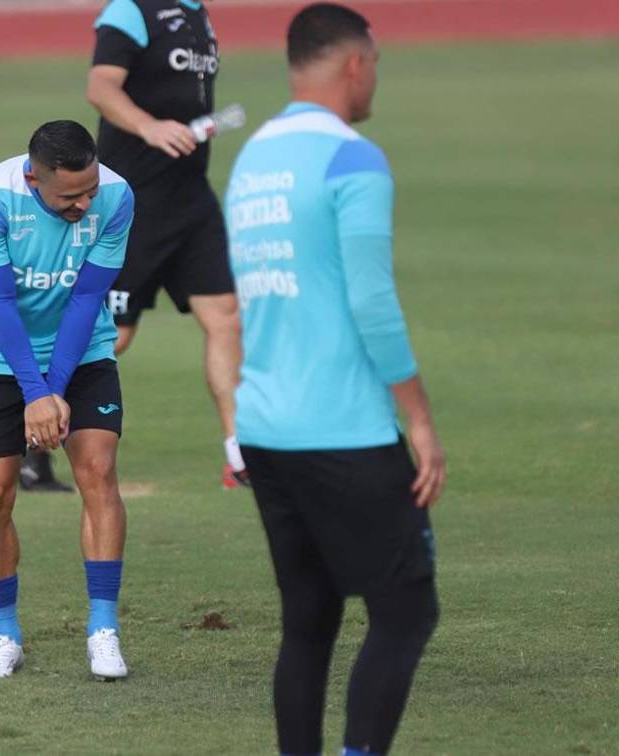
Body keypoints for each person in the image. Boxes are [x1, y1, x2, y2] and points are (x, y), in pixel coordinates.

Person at [224, 4, 447, 754]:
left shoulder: (252, 158)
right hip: (341, 427)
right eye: (374, 64)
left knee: (309, 619)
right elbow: (372, 302)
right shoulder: (352, 157)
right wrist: (417, 416)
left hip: (265, 427)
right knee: (407, 608)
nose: (375, 77)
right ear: (356, 62)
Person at [0, 121, 134, 680]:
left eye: (89, 189)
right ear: (35, 177)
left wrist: (54, 389)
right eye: (69, 196)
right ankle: (5, 634)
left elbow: (87, 297)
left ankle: (103, 629)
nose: (84, 203)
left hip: (83, 352)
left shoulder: (116, 196)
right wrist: (33, 392)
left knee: (99, 471)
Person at [86, 0, 246, 488]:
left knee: (225, 317)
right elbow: (100, 87)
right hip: (134, 198)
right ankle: (33, 435)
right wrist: (149, 126)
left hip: (190, 197)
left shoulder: (199, 14)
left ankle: (241, 458)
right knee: (114, 335)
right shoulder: (131, 10)